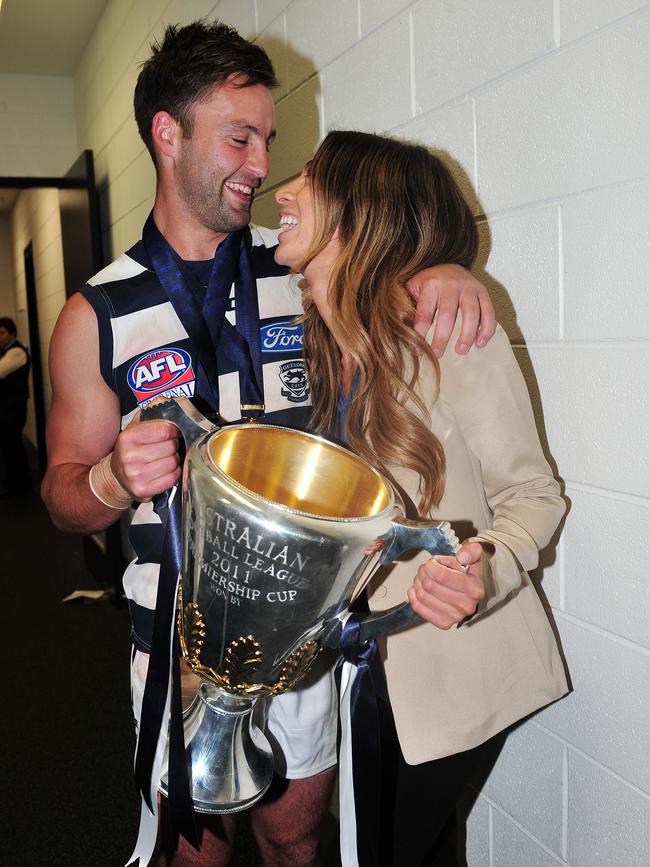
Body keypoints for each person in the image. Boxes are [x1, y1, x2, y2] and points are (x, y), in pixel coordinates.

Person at [40, 22, 496, 867]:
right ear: (167, 135)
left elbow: (403, 250)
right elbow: (59, 496)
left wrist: (451, 268)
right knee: (197, 854)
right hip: (173, 646)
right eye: (238, 137)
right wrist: (106, 479)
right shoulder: (93, 313)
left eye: (268, 139)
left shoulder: (302, 262)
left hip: (302, 637)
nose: (261, 164)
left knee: (295, 839)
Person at [273, 130, 569, 866]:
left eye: (307, 180)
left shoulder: (450, 330)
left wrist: (483, 568)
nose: (281, 191)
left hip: (449, 662)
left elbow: (535, 493)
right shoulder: (319, 337)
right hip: (364, 662)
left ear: (359, 214)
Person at [0, 316, 31, 497]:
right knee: (9, 445)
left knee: (13, 444)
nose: (0, 336)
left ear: (12, 333)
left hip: (13, 408)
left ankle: (19, 485)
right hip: (7, 408)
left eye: (3, 332)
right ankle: (14, 482)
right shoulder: (5, 350)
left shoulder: (16, 351)